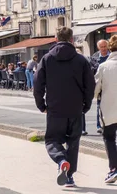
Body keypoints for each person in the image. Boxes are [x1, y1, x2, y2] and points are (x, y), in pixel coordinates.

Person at [34, 27, 95, 187]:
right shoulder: (81, 60)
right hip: (75, 108)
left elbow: (38, 85)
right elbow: (90, 85)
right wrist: (86, 105)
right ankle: (69, 176)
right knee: (73, 142)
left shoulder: (47, 59)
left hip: (55, 108)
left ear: (55, 38)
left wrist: (41, 105)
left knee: (52, 140)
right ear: (72, 40)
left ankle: (61, 160)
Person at [94, 35, 117, 184]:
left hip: (109, 110)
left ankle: (113, 168)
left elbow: (96, 89)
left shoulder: (104, 66)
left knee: (109, 138)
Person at [92, 39, 111, 134]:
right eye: (101, 47)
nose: (103, 49)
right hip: (100, 86)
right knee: (99, 106)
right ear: (98, 47)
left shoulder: (111, 56)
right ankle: (99, 125)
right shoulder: (94, 57)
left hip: (110, 85)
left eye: (105, 46)